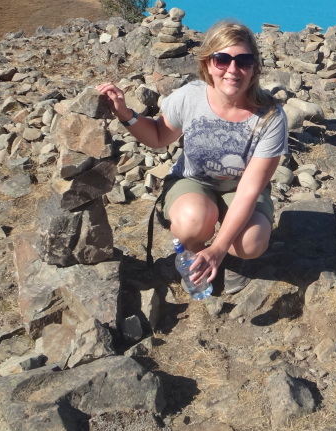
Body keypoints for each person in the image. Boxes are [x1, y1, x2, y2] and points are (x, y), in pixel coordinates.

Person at [96, 21, 288, 294]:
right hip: (193, 182)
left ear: (255, 67)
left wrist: (220, 249)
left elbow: (248, 191)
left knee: (251, 243)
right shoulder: (189, 97)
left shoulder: (270, 117)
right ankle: (194, 257)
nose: (233, 70)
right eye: (222, 60)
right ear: (208, 64)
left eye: (243, 61)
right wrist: (126, 114)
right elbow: (159, 137)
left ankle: (224, 258)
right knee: (193, 221)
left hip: (240, 189)